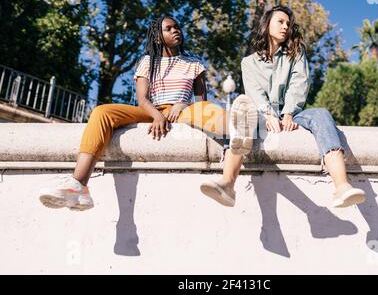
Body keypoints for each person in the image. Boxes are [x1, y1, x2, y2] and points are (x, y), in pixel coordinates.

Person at [38, 15, 257, 210]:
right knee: (102, 112)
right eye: (169, 28)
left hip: (183, 109)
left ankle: (237, 132)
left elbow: (201, 100)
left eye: (177, 27)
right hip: (152, 110)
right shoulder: (146, 62)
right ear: (157, 37)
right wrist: (157, 115)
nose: (176, 30)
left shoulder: (193, 63)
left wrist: (182, 104)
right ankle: (78, 185)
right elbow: (142, 99)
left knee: (214, 115)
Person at [241, 5, 366, 208]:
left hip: (293, 115)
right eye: (280, 22)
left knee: (321, 114)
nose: (285, 27)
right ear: (266, 25)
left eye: (288, 24)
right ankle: (227, 182)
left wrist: (288, 113)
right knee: (240, 115)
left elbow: (300, 83)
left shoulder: (295, 54)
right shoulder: (248, 63)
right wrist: (269, 114)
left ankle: (342, 186)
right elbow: (254, 93)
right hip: (263, 114)